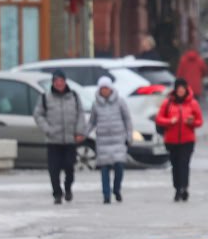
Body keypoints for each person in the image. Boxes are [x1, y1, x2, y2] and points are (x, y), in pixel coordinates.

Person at [33, 70, 87, 204]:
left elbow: (81, 113)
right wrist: (47, 129)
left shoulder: (73, 96)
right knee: (54, 169)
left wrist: (79, 131)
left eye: (61, 81)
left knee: (69, 166)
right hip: (53, 140)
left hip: (70, 139)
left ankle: (68, 188)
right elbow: (38, 114)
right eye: (56, 81)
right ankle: (57, 193)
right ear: (53, 83)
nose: (59, 83)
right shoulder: (45, 97)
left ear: (65, 82)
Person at [156, 78, 204, 202]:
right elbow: (159, 119)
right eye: (179, 89)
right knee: (175, 165)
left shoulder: (193, 103)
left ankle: (184, 188)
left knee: (184, 164)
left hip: (187, 140)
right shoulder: (168, 103)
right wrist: (169, 121)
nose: (181, 91)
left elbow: (200, 121)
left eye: (183, 89)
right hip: (171, 140)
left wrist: (192, 122)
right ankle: (177, 188)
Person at [87, 76, 133, 204]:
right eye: (102, 88)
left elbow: (127, 120)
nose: (104, 90)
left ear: (110, 88)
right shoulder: (96, 104)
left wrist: (129, 136)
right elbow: (92, 122)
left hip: (118, 140)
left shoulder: (120, 102)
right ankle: (106, 195)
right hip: (103, 141)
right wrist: (83, 133)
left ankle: (117, 189)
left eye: (106, 88)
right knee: (104, 170)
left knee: (119, 167)